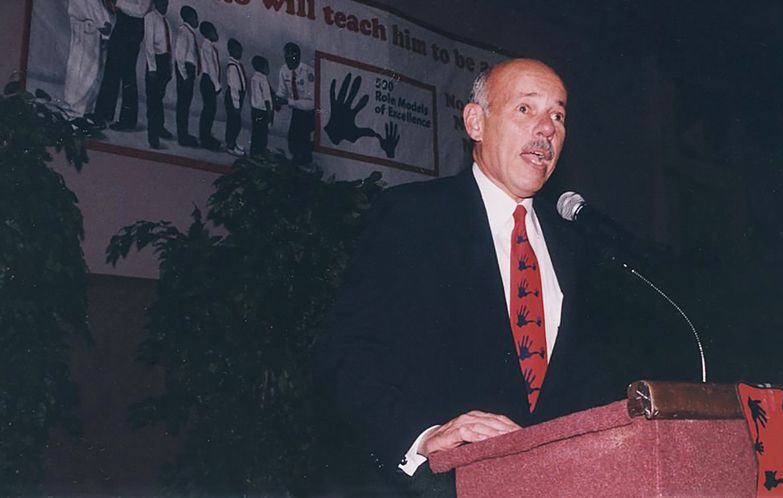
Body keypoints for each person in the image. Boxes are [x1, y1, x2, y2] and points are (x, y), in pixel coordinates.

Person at [317, 58, 695, 496]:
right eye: (525, 109)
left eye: (557, 115)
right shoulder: (411, 216)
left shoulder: (580, 245)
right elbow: (346, 353)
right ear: (476, 122)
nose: (547, 128)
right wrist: (420, 439)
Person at [93, 0, 150, 131]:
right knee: (111, 70)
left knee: (127, 74)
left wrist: (118, 2)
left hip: (133, 29)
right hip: (123, 25)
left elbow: (141, 10)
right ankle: (104, 115)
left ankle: (127, 121)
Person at [63, 0, 113, 118]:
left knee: (92, 71)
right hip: (86, 26)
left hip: (92, 27)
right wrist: (104, 25)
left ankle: (84, 111)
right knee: (81, 69)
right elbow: (94, 6)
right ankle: (72, 112)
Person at [275, 42, 314, 165]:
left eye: (293, 58)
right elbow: (282, 91)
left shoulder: (308, 72)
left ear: (299, 56)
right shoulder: (283, 70)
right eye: (287, 58)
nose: (290, 61)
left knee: (303, 140)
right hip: (296, 110)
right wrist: (277, 100)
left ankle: (305, 162)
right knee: (292, 140)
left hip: (309, 111)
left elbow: (312, 103)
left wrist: (288, 101)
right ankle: (298, 160)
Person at [143, 0, 172, 149]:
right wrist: (152, 69)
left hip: (164, 62)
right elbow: (149, 45)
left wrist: (169, 67)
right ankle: (153, 137)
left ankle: (160, 128)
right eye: (162, 3)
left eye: (167, 3)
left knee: (159, 98)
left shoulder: (165, 20)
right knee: (153, 101)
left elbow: (168, 46)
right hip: (155, 61)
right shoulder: (150, 17)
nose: (165, 6)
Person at [173, 5, 200, 147]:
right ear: (189, 17)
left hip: (188, 71)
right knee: (183, 105)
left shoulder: (190, 33)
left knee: (185, 104)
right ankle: (182, 137)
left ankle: (184, 134)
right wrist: (184, 76)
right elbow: (179, 56)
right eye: (195, 17)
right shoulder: (184, 31)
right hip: (185, 71)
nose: (197, 20)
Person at [198, 21, 222, 151]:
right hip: (209, 81)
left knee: (209, 110)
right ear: (208, 33)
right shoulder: (207, 47)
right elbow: (211, 68)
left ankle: (206, 135)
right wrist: (217, 85)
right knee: (209, 110)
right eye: (214, 31)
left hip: (209, 81)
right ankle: (205, 139)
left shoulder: (210, 46)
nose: (216, 34)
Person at [224, 38, 247, 156]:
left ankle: (232, 142)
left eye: (241, 50)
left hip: (238, 97)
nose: (240, 53)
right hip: (234, 98)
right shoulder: (232, 67)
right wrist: (236, 105)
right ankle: (230, 145)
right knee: (234, 123)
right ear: (231, 51)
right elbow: (233, 88)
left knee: (235, 122)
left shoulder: (237, 64)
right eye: (237, 50)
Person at [249, 55, 273, 157]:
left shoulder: (253, 78)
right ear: (262, 68)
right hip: (263, 111)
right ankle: (261, 151)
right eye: (267, 66)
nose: (268, 69)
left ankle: (254, 151)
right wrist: (270, 114)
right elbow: (267, 98)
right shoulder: (263, 80)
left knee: (256, 132)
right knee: (263, 133)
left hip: (255, 110)